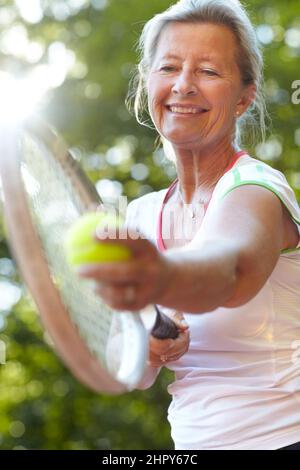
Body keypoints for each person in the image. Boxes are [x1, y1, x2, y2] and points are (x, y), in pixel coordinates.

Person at [78, 0, 300, 450]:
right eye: (170, 67)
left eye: (209, 72)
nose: (184, 85)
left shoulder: (257, 187)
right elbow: (132, 372)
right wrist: (148, 347)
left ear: (244, 97)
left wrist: (156, 276)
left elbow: (230, 270)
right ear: (148, 83)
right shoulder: (139, 216)